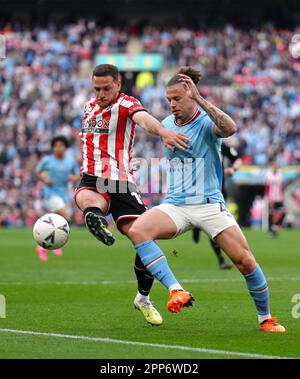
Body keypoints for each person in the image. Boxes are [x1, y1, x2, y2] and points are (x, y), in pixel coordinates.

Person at [126, 66, 286, 332]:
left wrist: (200, 99)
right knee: (139, 229)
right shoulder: (166, 125)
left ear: (191, 96)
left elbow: (230, 128)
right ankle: (175, 289)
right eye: (169, 99)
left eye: (177, 98)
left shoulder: (206, 122)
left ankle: (265, 318)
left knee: (244, 260)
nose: (172, 104)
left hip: (209, 204)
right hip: (176, 204)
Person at [74, 64, 193, 325]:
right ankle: (95, 217)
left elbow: (143, 118)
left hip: (121, 181)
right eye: (97, 89)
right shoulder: (87, 107)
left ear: (118, 84)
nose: (101, 94)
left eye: (106, 88)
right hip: (93, 177)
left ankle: (143, 297)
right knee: (88, 198)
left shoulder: (127, 103)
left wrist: (163, 131)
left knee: (144, 236)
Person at [192, 142, 242, 270]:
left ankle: (220, 259)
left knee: (214, 226)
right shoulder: (195, 141)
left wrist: (233, 169)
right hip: (198, 190)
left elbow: (238, 160)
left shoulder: (221, 144)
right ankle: (196, 225)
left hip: (217, 192)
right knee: (210, 224)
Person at [36, 135, 80, 261]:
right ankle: (56, 243)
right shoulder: (47, 160)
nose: (58, 148)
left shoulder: (70, 161)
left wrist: (73, 178)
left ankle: (43, 247)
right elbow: (38, 172)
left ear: (65, 148)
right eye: (55, 146)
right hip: (50, 194)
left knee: (55, 222)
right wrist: (45, 179)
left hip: (63, 194)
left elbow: (77, 174)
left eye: (61, 145)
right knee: (66, 218)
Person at [265, 163, 285, 237]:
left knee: (282, 212)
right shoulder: (269, 175)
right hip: (272, 198)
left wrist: (283, 197)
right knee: (272, 214)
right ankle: (272, 230)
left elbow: (282, 187)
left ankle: (276, 227)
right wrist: (269, 198)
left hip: (279, 198)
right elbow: (267, 188)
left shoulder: (280, 175)